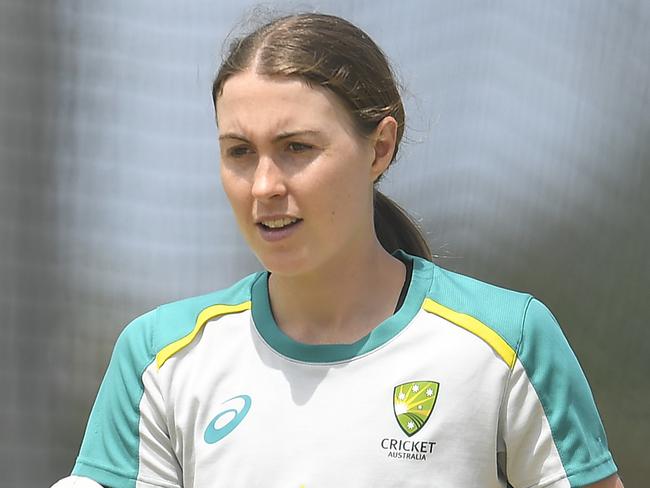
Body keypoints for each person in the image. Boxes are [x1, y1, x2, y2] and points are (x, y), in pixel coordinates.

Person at [52, 12, 623, 488]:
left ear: (380, 148)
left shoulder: (506, 340)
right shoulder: (161, 358)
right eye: (239, 152)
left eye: (296, 147)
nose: (265, 185)